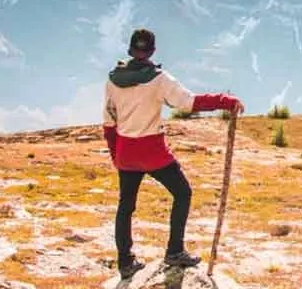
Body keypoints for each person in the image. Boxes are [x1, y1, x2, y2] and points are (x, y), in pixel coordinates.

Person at [102, 28, 244, 279]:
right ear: (152, 51)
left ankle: (125, 262)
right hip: (152, 152)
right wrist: (225, 100)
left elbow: (109, 123)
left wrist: (117, 156)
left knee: (126, 206)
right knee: (182, 192)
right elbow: (188, 102)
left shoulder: (113, 79)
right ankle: (174, 250)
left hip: (126, 152)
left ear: (130, 50)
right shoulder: (159, 79)